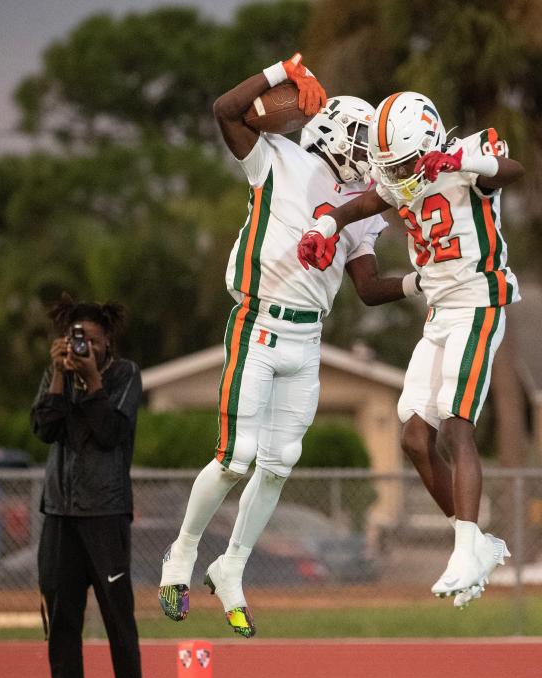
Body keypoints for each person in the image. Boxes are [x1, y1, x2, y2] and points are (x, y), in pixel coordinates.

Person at [158, 53, 422, 637]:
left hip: (309, 339)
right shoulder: (277, 158)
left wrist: (420, 282)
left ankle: (231, 568)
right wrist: (281, 71)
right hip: (256, 322)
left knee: (279, 465)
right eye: (359, 138)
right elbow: (226, 108)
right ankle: (180, 554)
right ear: (329, 130)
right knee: (235, 457)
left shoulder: (362, 210)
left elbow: (370, 289)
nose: (367, 153)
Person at [299, 91, 524, 608]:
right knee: (414, 439)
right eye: (390, 166)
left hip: (478, 302)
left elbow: (511, 169)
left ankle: (467, 548)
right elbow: (365, 202)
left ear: (428, 145)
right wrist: (326, 225)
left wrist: (458, 159)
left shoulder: (468, 160)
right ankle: (476, 543)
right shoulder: (403, 179)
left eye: (404, 163)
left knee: (456, 423)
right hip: (440, 312)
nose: (397, 176)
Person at [31, 296, 142, 678]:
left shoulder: (125, 374)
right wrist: (60, 375)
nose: (85, 348)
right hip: (60, 514)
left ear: (107, 339)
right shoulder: (55, 376)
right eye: (77, 340)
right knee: (62, 621)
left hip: (105, 514)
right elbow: (45, 429)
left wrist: (93, 381)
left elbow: (111, 433)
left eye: (93, 340)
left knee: (118, 619)